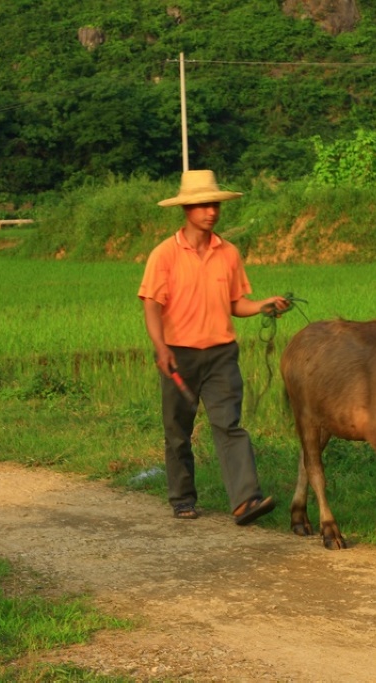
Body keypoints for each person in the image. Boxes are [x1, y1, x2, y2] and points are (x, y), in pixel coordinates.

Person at [138, 170, 290, 525]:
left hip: (222, 354)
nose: (211, 212)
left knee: (229, 425)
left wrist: (263, 305)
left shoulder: (229, 253)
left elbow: (236, 303)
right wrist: (161, 348)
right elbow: (151, 305)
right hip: (179, 354)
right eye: (203, 205)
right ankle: (182, 498)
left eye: (215, 205)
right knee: (178, 431)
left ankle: (245, 500)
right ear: (187, 209)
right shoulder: (165, 254)